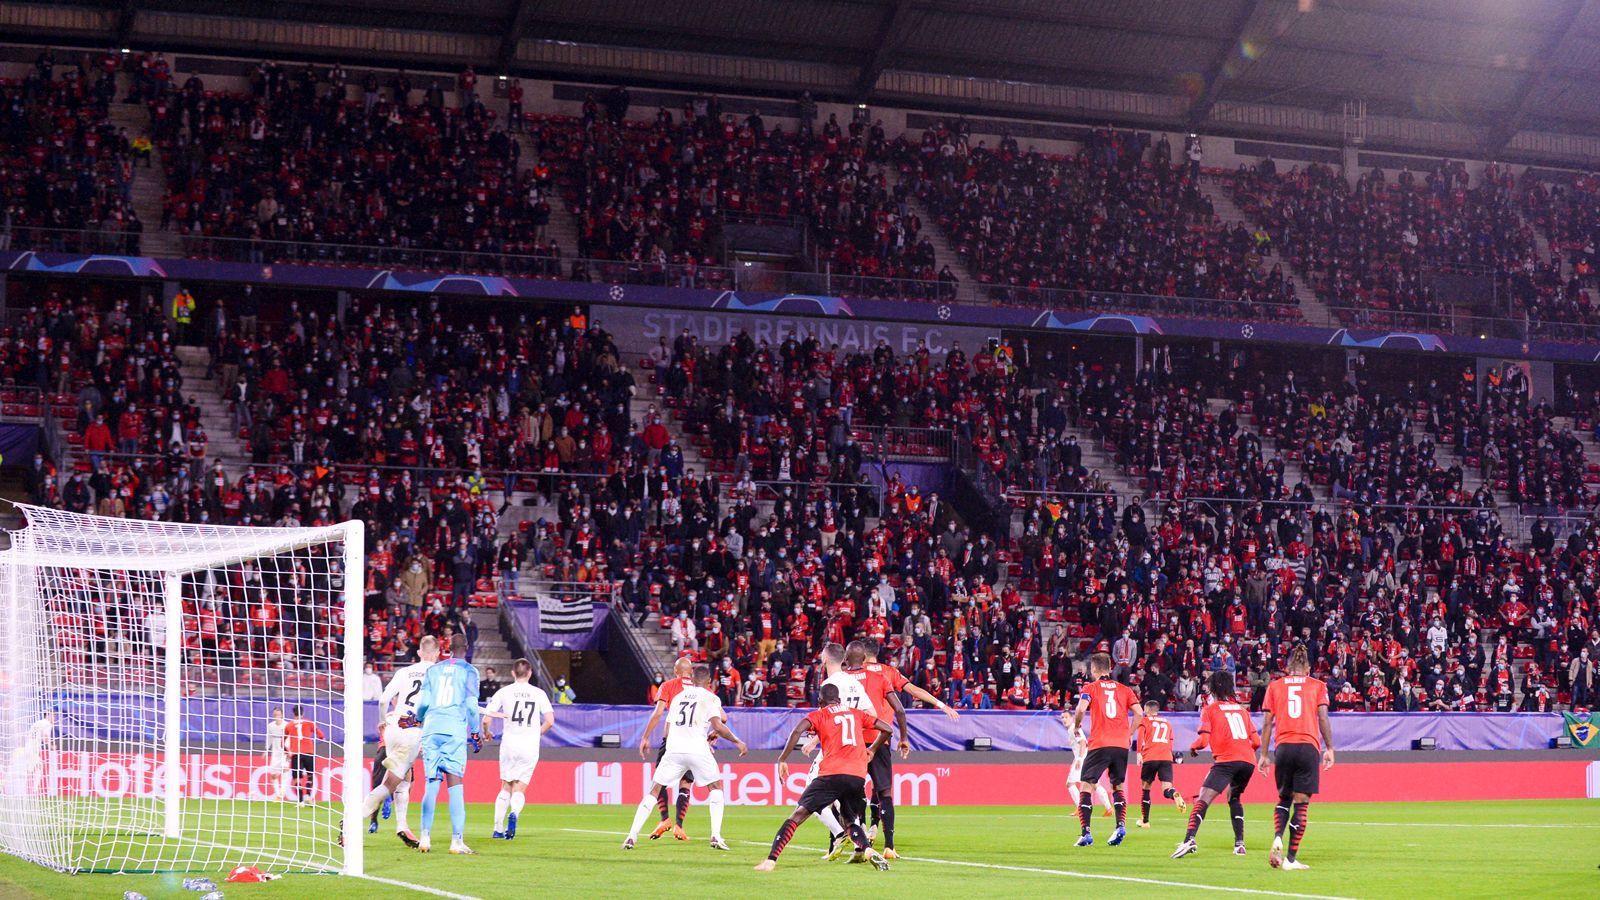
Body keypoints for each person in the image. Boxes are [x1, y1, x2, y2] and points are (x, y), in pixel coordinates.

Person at [753, 682, 891, 872]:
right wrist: (873, 749)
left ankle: (770, 860)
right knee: (850, 821)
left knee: (797, 815)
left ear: (820, 701)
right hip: (857, 775)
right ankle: (867, 849)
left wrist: (783, 758)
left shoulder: (820, 714)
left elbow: (797, 730)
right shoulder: (856, 713)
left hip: (831, 774)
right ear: (839, 699)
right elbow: (887, 729)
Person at [846, 638, 960, 857]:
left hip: (854, 739)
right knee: (884, 790)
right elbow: (914, 692)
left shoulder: (848, 674)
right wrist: (941, 705)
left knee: (854, 790)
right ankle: (888, 844)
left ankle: (860, 837)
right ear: (876, 653)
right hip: (882, 738)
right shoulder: (887, 672)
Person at [623, 664, 747, 850]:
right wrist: (737, 741)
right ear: (709, 682)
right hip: (697, 748)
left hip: (674, 749)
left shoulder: (679, 697)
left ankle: (631, 837)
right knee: (715, 788)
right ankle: (715, 836)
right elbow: (719, 724)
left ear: (692, 678)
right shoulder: (711, 698)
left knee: (654, 790)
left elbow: (668, 724)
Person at [1257, 645, 1335, 871]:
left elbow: (1266, 723)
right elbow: (1323, 718)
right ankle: (1290, 859)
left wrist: (1263, 755)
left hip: (1283, 747)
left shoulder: (1275, 686)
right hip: (1307, 747)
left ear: (1288, 667)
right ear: (1308, 668)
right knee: (1301, 804)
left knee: (1284, 799)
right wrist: (1329, 748)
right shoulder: (1317, 686)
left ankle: (1278, 837)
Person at [357, 635, 439, 846]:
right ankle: (352, 822)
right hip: (412, 730)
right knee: (391, 783)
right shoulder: (438, 675)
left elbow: (384, 699)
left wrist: (382, 722)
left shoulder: (404, 671)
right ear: (438, 654)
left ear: (419, 653)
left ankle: (402, 827)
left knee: (406, 778)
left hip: (393, 726)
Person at [1172, 672, 1260, 859]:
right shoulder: (1241, 710)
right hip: (1248, 761)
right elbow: (1257, 741)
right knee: (1234, 798)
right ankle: (1239, 844)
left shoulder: (1210, 709)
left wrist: (1193, 747)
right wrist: (1242, 751)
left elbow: (1203, 741)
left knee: (1203, 798)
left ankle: (1189, 839)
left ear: (1213, 689)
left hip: (1227, 760)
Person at [414, 632, 482, 855]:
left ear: (447, 648)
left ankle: (425, 838)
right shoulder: (470, 671)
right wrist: (475, 731)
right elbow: (472, 706)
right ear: (468, 647)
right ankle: (456, 841)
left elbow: (423, 703)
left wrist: (419, 718)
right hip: (453, 731)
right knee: (455, 786)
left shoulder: (433, 670)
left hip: (431, 729)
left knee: (431, 784)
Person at [1067, 652, 1141, 846]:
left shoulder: (1090, 687)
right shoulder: (1125, 690)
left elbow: (1081, 709)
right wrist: (1129, 733)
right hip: (1121, 746)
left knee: (1086, 785)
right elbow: (1140, 713)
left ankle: (1086, 833)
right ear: (1109, 668)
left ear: (1093, 669)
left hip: (1100, 743)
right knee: (1117, 786)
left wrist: (1076, 726)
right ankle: (1120, 826)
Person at [483, 658, 555, 841]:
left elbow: (486, 718)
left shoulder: (504, 692)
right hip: (529, 745)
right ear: (530, 673)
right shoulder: (538, 693)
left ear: (513, 673)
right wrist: (536, 733)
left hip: (510, 744)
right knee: (519, 788)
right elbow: (550, 721)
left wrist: (486, 732)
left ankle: (498, 829)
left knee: (506, 786)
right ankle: (514, 812)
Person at [636, 656, 697, 840]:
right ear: (691, 672)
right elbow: (720, 717)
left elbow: (658, 712)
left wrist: (645, 737)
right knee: (685, 783)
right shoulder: (700, 689)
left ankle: (665, 819)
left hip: (672, 739)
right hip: (693, 741)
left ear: (676, 672)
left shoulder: (668, 685)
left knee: (659, 780)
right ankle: (679, 825)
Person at [1134, 700, 1187, 828]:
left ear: (1147, 709)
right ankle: (1173, 793)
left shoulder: (1145, 721)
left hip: (1151, 757)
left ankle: (1145, 821)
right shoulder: (1167, 722)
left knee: (1146, 788)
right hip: (1166, 758)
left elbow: (1140, 737)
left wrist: (1139, 753)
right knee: (1166, 789)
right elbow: (1171, 740)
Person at [283, 706, 324, 804]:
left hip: (296, 754)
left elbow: (282, 742)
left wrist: (287, 753)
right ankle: (308, 796)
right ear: (303, 713)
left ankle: (300, 801)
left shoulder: (288, 725)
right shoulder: (309, 723)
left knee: (297, 778)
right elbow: (321, 736)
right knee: (310, 775)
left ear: (294, 713)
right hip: (309, 752)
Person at [265, 707, 289, 801]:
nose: (277, 716)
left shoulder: (287, 725)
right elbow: (269, 738)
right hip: (275, 753)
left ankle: (282, 792)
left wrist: (289, 751)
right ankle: (278, 794)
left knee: (285, 770)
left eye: (278, 715)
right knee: (273, 775)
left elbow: (290, 738)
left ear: (282, 715)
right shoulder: (270, 726)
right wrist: (266, 750)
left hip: (285, 752)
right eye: (275, 715)